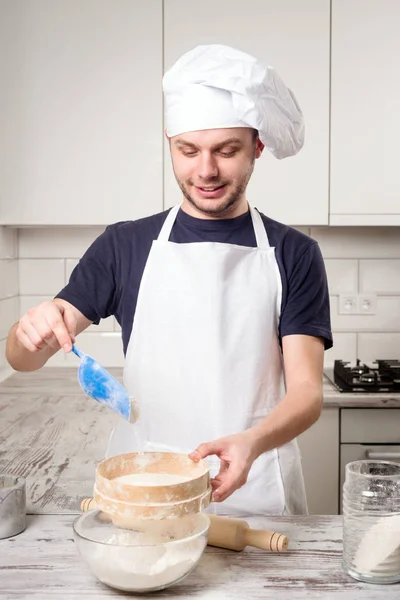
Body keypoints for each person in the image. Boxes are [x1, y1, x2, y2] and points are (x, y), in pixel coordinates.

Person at [6, 45, 332, 517]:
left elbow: (306, 392)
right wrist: (30, 329)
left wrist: (252, 442)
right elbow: (22, 359)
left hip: (256, 485)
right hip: (146, 485)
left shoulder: (294, 253)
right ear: (169, 143)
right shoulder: (125, 245)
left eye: (227, 150)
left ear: (256, 148)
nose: (206, 170)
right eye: (188, 150)